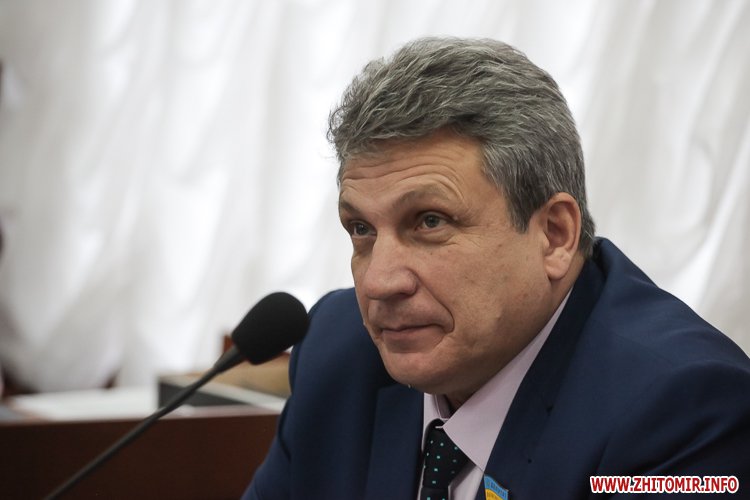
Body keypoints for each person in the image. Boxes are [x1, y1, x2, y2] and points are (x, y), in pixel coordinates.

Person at [243, 37, 750, 499]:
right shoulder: (337, 353)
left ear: (554, 235)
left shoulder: (682, 410)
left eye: (430, 221)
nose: (379, 281)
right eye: (361, 229)